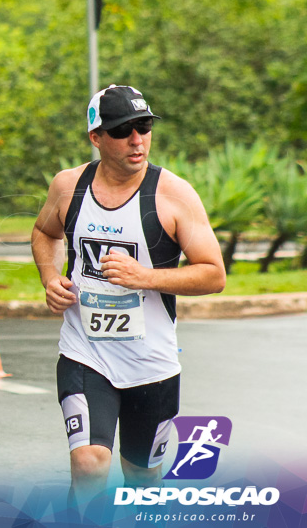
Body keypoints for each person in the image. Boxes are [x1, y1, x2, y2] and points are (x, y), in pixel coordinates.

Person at [31, 85, 225, 508]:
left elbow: (214, 274)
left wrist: (145, 276)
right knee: (88, 465)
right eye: (123, 130)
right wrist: (50, 277)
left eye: (144, 127)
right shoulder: (69, 186)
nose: (137, 140)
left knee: (142, 479)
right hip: (86, 353)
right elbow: (45, 232)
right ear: (96, 138)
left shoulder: (173, 194)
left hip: (151, 364)